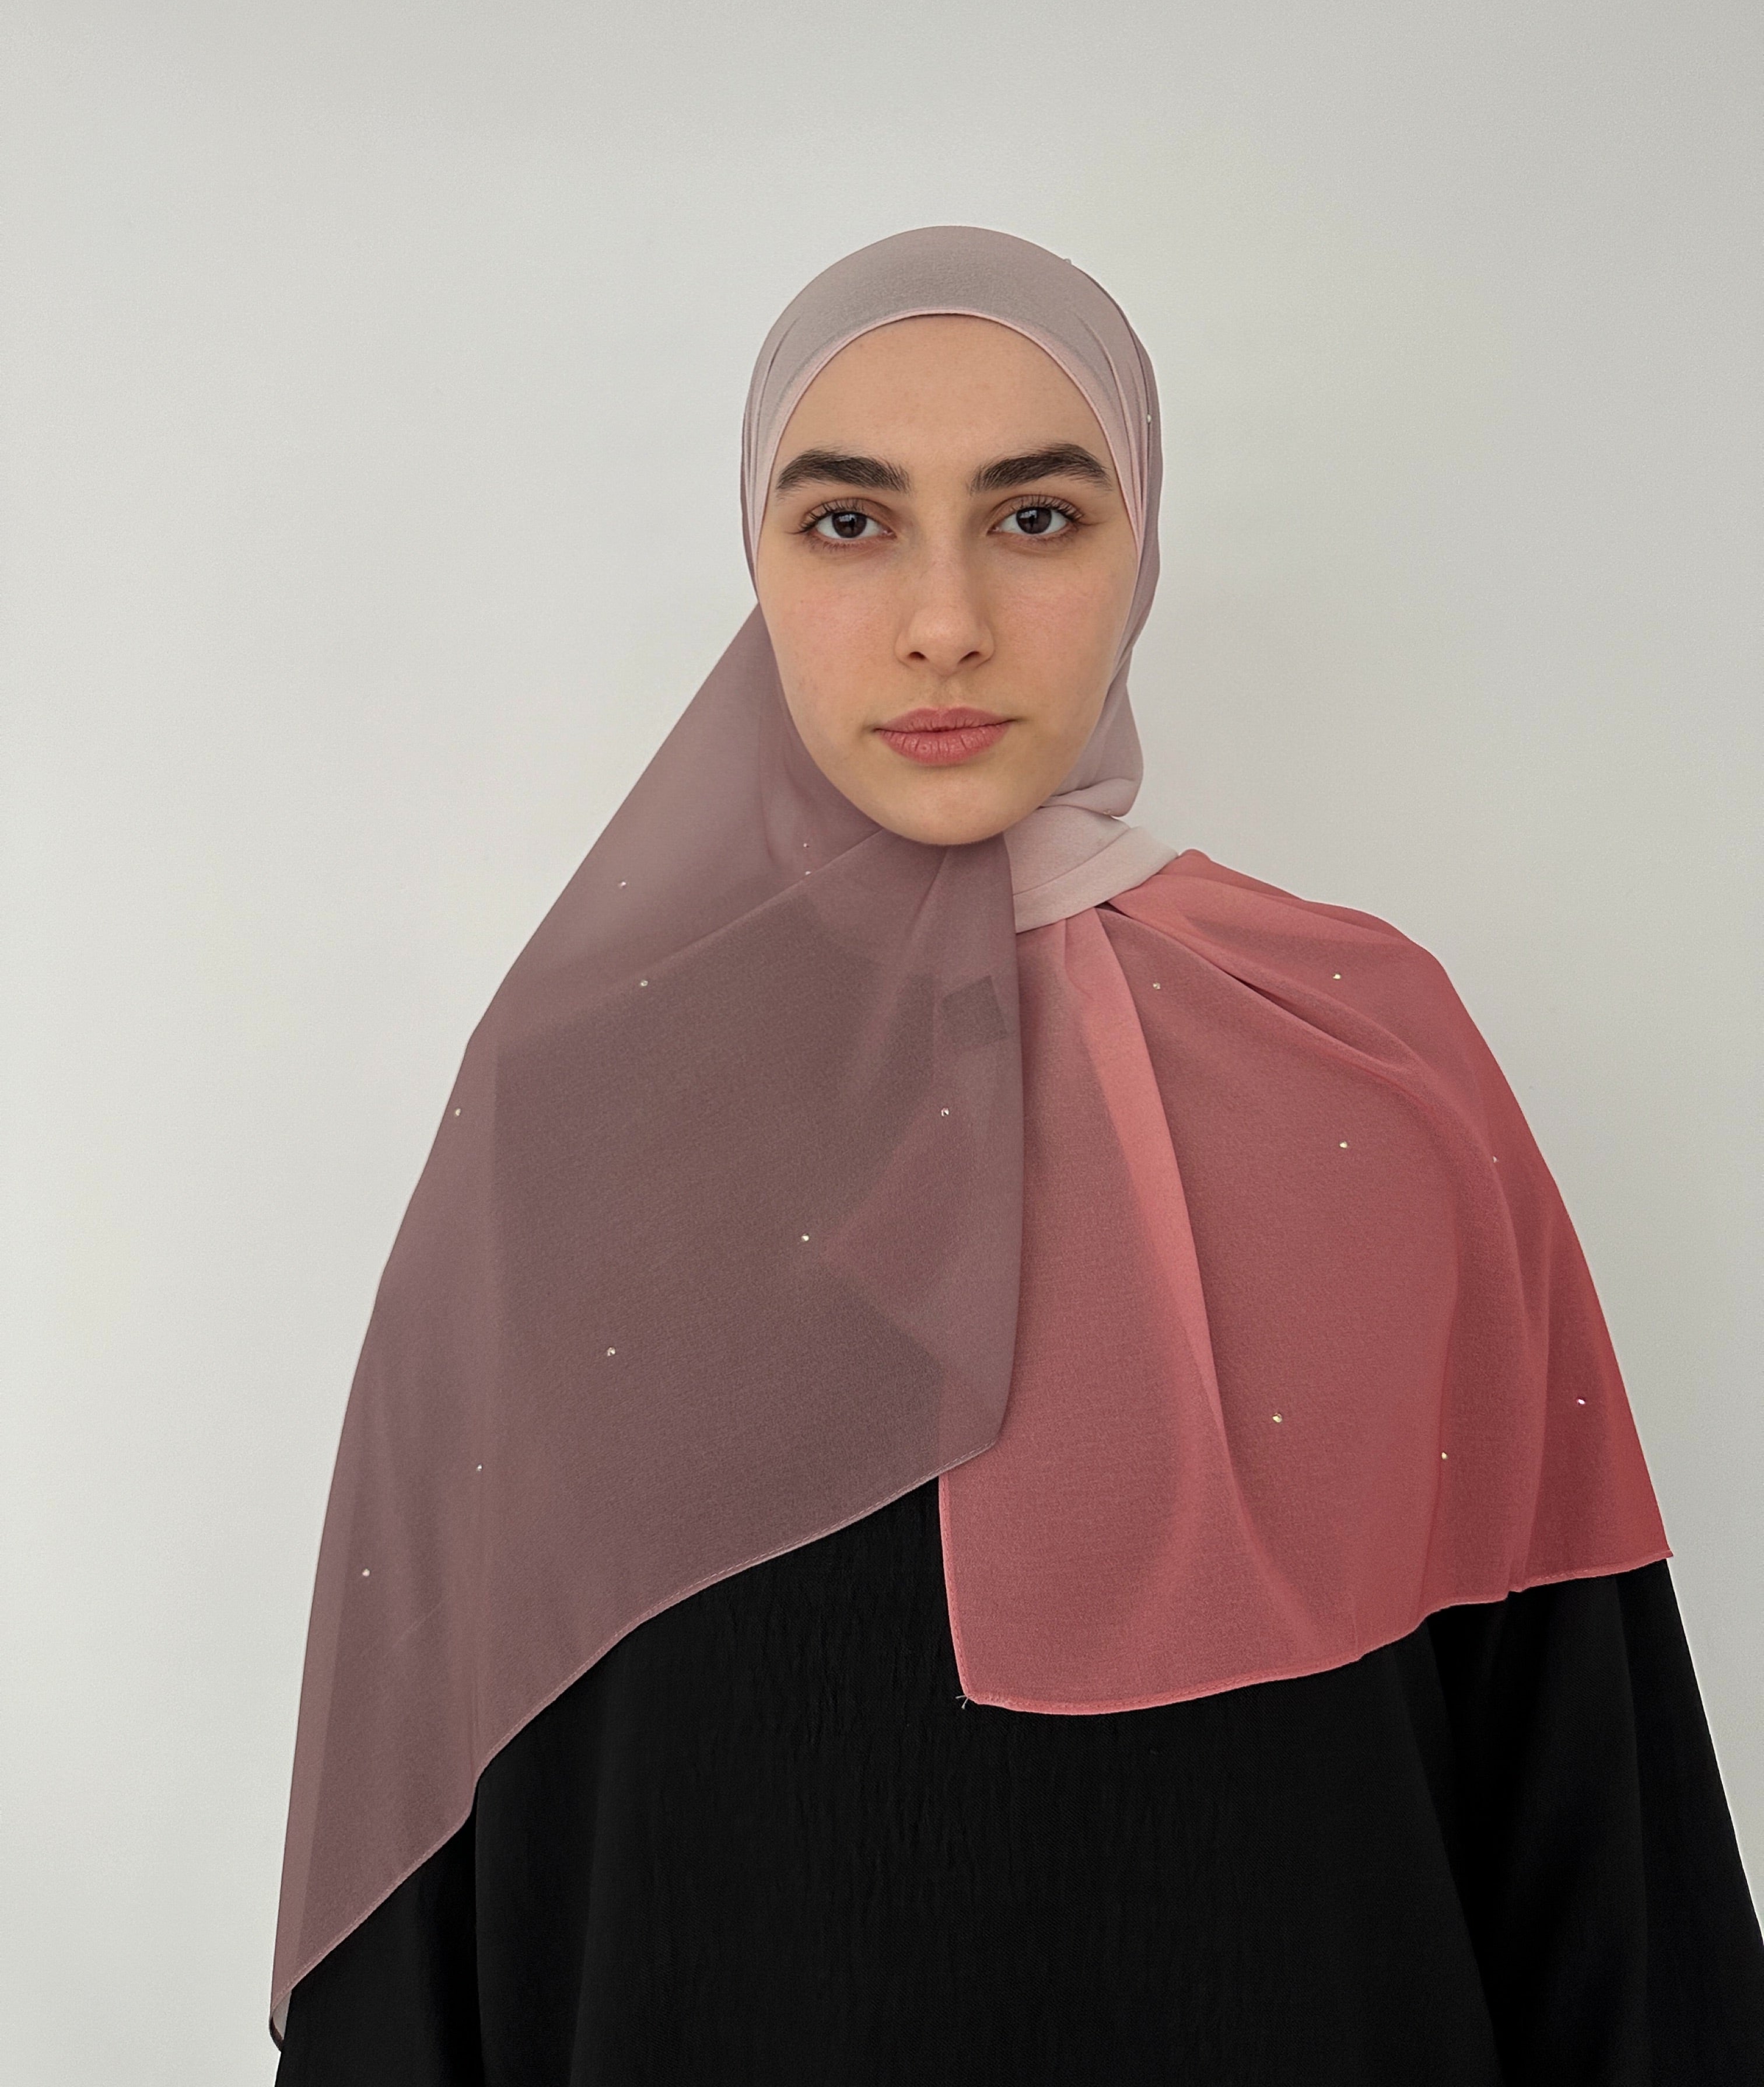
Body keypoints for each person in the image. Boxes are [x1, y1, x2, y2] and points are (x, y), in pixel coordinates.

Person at [271, 228, 1763, 2083]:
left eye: (1037, 518)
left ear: (1144, 547)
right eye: (849, 523)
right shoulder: (575, 1118)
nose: (945, 620)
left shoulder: (1371, 1058)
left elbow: (1583, 1792)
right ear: (756, 561)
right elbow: (439, 1818)